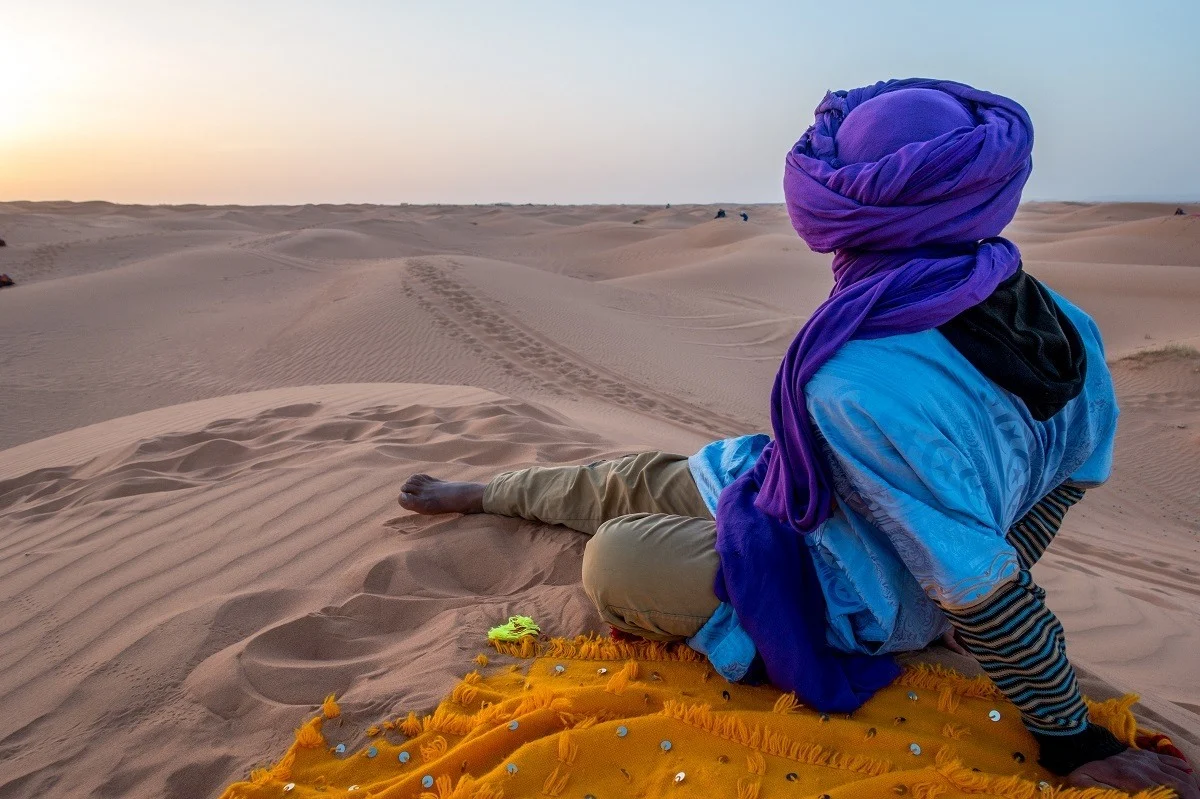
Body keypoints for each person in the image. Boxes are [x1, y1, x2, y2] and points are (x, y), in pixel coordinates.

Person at [399, 79, 1197, 797]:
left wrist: (1071, 734)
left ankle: (672, 552)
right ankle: (490, 493)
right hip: (805, 489)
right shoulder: (1069, 324)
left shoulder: (860, 374)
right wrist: (990, 554)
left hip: (873, 589)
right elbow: (1068, 483)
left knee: (617, 556)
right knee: (640, 473)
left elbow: (981, 585)